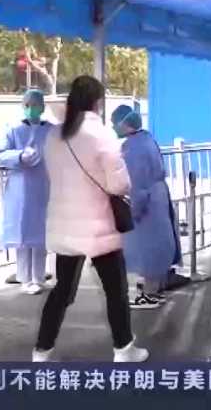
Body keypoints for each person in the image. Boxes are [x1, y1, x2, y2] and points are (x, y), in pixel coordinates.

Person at [33, 76, 148, 363]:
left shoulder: (55, 136)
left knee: (62, 291)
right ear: (98, 102)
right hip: (99, 226)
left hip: (65, 225)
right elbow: (119, 185)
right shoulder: (102, 134)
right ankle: (124, 349)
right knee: (115, 290)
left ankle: (41, 351)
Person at [111, 104, 177, 310]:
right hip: (158, 198)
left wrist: (133, 211)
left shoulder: (132, 148)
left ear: (125, 124)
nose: (113, 127)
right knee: (158, 247)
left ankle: (148, 294)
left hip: (146, 202)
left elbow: (136, 183)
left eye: (115, 123)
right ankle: (155, 290)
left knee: (146, 249)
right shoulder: (147, 139)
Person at [0, 89, 52, 295]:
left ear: (42, 107)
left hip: (44, 187)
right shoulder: (13, 130)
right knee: (22, 235)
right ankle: (25, 278)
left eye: (35, 105)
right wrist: (20, 156)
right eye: (27, 105)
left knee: (41, 236)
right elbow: (0, 154)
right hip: (20, 190)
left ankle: (39, 277)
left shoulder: (51, 131)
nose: (31, 108)